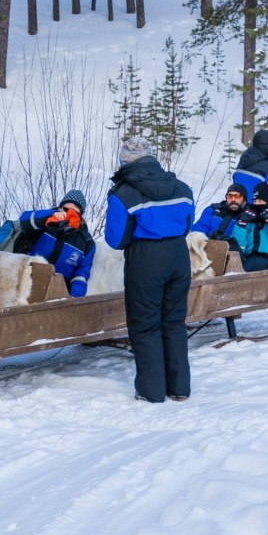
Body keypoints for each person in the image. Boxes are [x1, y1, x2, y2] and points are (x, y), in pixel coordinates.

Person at [105, 135, 197, 403]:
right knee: (174, 322)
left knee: (145, 324)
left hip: (146, 258)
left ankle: (151, 391)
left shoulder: (123, 193)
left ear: (125, 161)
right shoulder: (182, 188)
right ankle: (179, 388)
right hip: (179, 256)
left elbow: (115, 239)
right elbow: (187, 224)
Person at [2, 189, 98, 297]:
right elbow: (24, 219)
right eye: (66, 209)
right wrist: (50, 215)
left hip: (57, 292)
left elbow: (81, 275)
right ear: (60, 207)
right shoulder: (45, 221)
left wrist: (74, 299)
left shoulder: (87, 243)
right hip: (26, 281)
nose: (69, 214)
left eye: (75, 212)